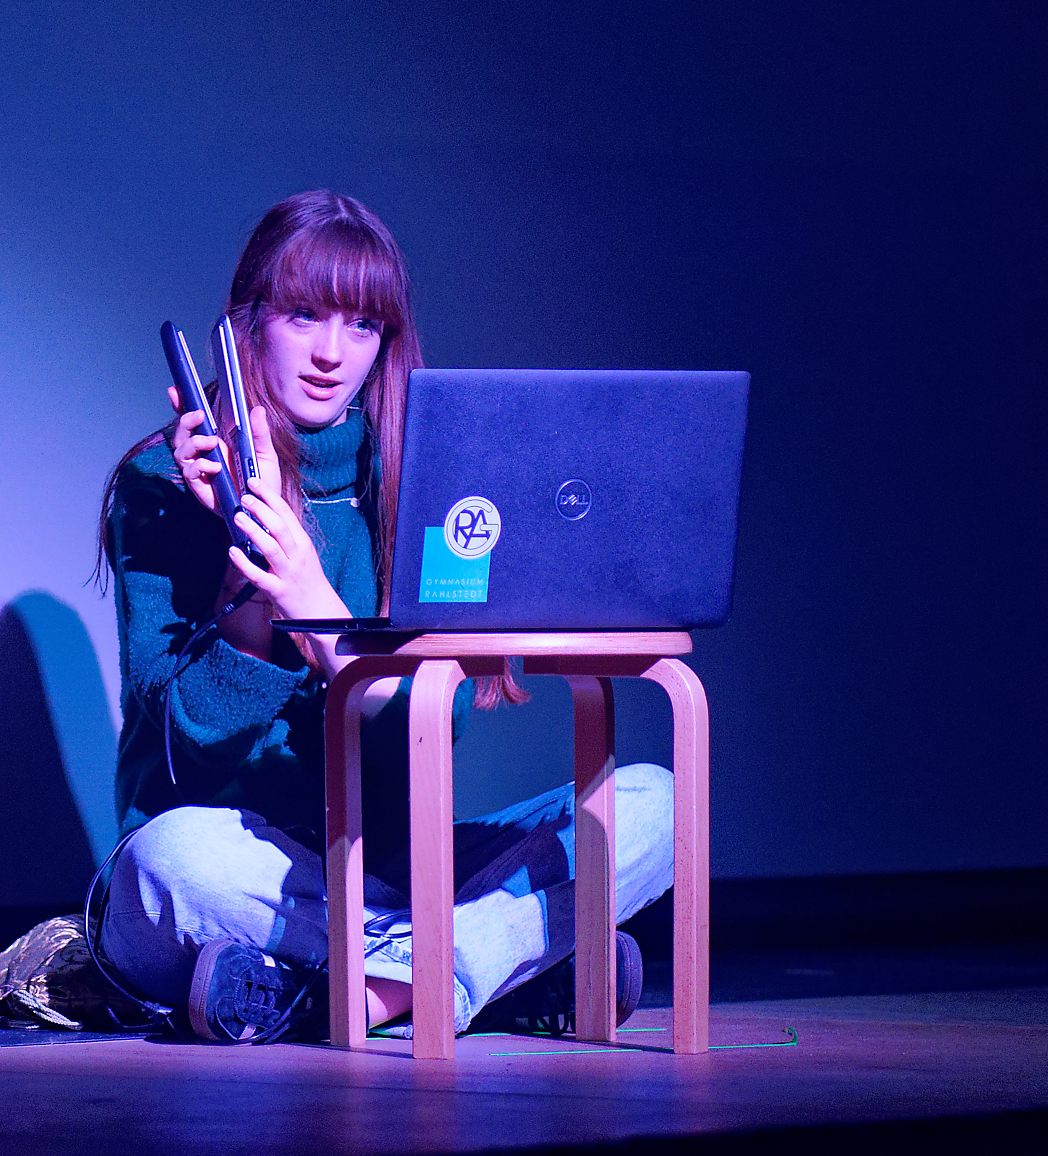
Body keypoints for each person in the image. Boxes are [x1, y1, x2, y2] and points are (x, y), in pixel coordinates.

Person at [92, 189, 674, 1043]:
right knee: (161, 864)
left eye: (362, 325)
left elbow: (433, 731)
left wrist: (318, 609)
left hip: (397, 870)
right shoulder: (165, 485)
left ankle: (352, 989)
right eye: (303, 315)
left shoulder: (418, 479)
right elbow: (185, 741)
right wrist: (249, 575)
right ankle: (485, 968)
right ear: (249, 322)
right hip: (247, 868)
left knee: (657, 802)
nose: (332, 354)